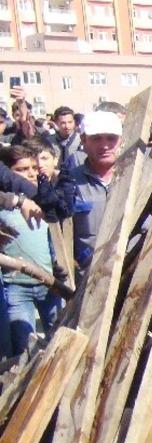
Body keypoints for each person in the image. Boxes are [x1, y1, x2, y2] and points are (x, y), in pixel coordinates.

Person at [0, 144, 62, 357]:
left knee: (59, 340)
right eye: (22, 169)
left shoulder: (44, 200)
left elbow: (54, 242)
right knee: (24, 347)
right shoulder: (5, 205)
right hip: (16, 287)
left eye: (34, 168)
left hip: (49, 284)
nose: (30, 173)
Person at [71, 111, 122, 273]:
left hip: (134, 273)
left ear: (121, 140)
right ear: (84, 140)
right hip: (90, 275)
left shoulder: (140, 174)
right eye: (96, 138)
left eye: (111, 138)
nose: (105, 145)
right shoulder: (71, 181)